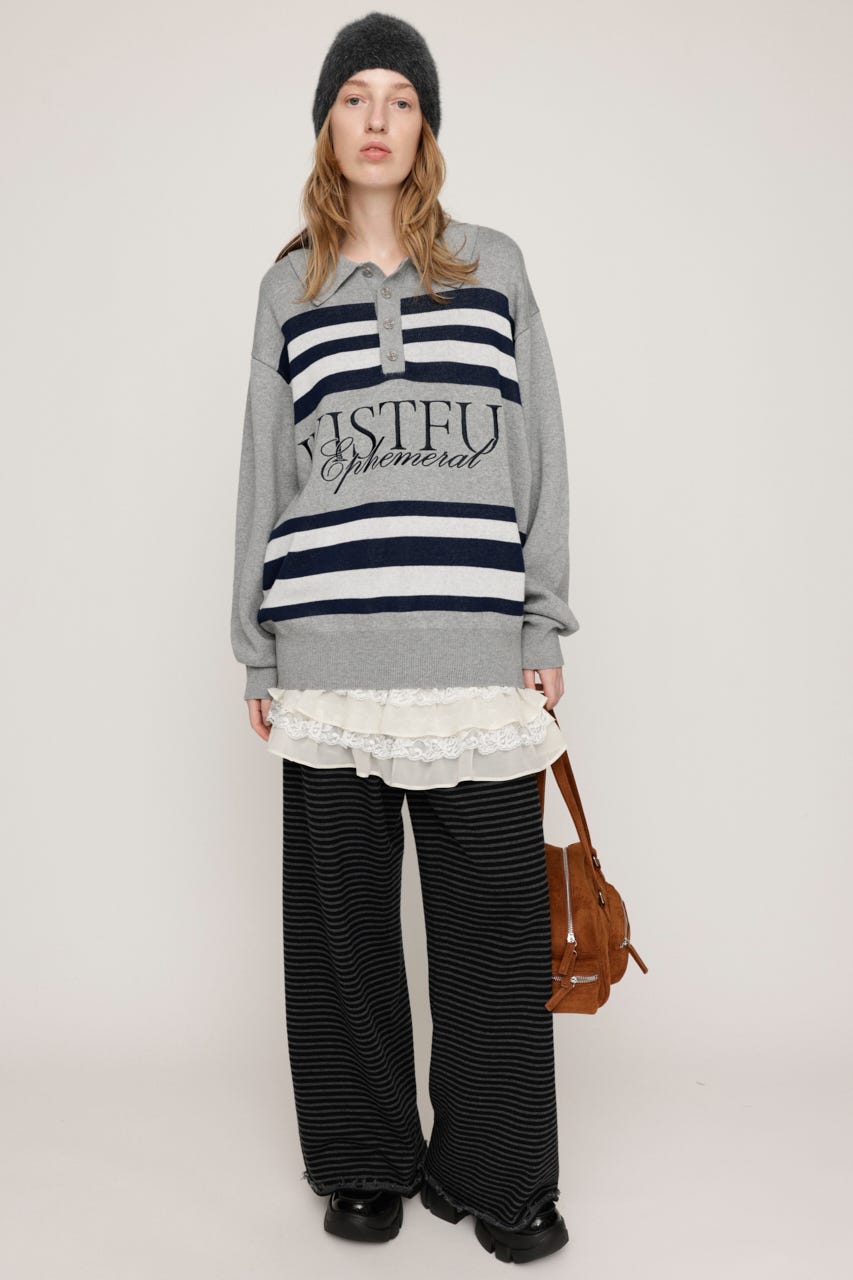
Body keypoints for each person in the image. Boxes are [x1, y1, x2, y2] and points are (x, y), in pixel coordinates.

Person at [230, 11, 579, 1265]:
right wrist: (257, 644)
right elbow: (264, 472)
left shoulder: (493, 266)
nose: (376, 119)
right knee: (343, 935)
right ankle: (363, 1159)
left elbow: (537, 444)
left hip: (471, 652)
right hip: (327, 653)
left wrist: (541, 615)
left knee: (492, 927)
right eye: (353, 97)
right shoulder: (289, 287)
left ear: (425, 127)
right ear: (327, 124)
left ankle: (501, 1173)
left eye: (400, 99)